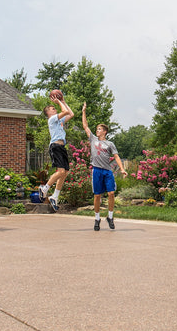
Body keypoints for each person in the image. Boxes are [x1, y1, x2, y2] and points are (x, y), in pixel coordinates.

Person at [82, 102, 127, 231]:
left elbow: (117, 157)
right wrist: (83, 111)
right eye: (96, 129)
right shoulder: (93, 140)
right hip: (96, 171)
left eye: (99, 129)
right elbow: (85, 126)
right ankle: (97, 219)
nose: (97, 131)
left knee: (111, 193)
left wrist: (122, 169)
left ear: (105, 131)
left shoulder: (110, 144)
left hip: (107, 171)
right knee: (97, 196)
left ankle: (110, 217)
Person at [38, 93, 74, 211]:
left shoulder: (59, 121)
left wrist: (63, 101)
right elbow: (64, 112)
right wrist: (59, 102)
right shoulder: (52, 119)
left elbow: (71, 113)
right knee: (61, 171)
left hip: (61, 147)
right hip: (55, 147)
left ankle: (55, 196)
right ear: (48, 113)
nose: (55, 109)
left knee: (65, 172)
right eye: (52, 108)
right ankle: (45, 188)